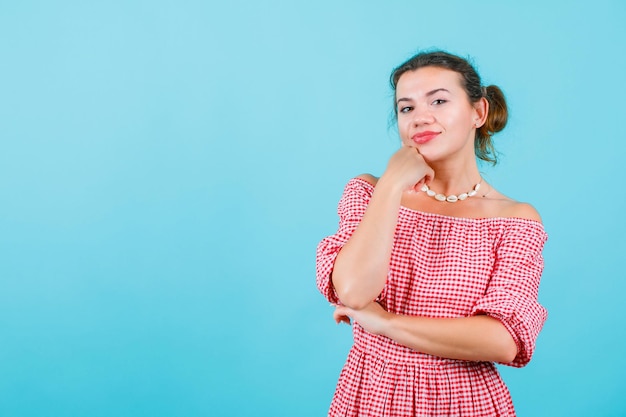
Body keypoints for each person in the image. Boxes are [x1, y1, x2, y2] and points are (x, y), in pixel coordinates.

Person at [315, 50, 547, 417]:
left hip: (464, 402)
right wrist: (391, 185)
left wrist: (386, 323)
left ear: (478, 112)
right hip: (370, 396)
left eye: (439, 100)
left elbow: (503, 340)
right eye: (406, 108)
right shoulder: (369, 193)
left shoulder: (514, 219)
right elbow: (355, 292)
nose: (420, 117)